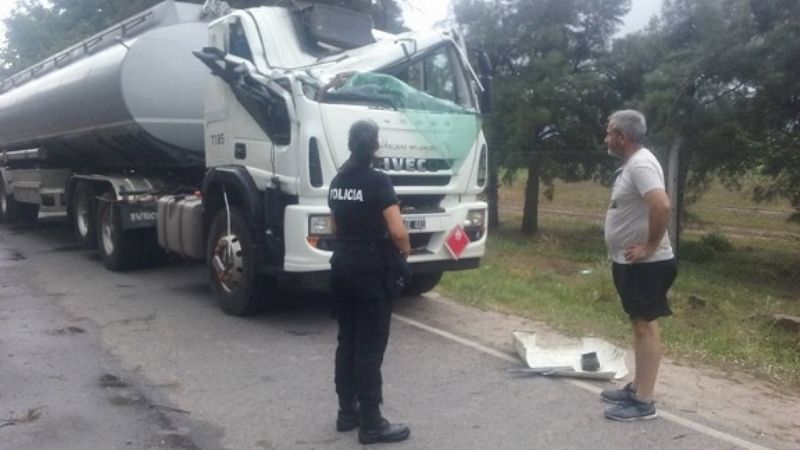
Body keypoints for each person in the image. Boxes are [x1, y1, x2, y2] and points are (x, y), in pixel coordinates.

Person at [328, 119, 412, 444]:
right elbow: (397, 230)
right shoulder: (378, 181)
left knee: (347, 340)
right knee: (370, 348)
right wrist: (405, 254)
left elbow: (334, 227)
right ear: (375, 146)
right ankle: (372, 423)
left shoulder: (338, 181)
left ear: (351, 144)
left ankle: (346, 413)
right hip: (371, 273)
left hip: (341, 269)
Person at [601, 110, 677, 421]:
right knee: (639, 325)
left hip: (646, 264)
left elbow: (661, 204)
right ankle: (638, 387)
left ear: (623, 136)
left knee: (645, 326)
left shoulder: (642, 163)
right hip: (632, 263)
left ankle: (644, 402)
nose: (606, 138)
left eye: (609, 132)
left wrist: (649, 246)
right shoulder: (634, 164)